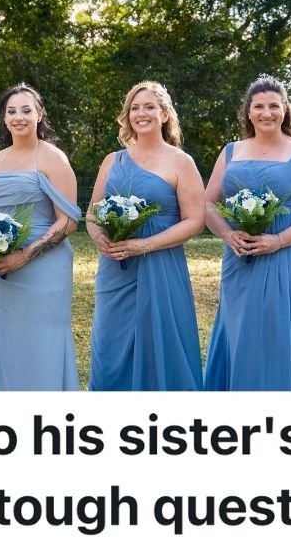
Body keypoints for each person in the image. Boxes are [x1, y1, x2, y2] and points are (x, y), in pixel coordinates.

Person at [203, 75, 291, 391]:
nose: (267, 113)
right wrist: (227, 234)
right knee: (241, 332)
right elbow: (207, 203)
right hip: (240, 258)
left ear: (285, 110)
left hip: (287, 258)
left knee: (279, 333)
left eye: (274, 106)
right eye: (259, 106)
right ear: (248, 112)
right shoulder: (230, 152)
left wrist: (277, 240)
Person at [85, 81, 205, 391]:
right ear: (127, 116)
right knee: (110, 345)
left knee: (160, 344)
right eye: (135, 108)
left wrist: (144, 245)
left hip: (160, 267)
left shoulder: (181, 161)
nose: (142, 113)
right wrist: (100, 237)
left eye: (149, 107)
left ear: (165, 114)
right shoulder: (113, 161)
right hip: (115, 268)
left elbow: (195, 221)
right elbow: (92, 213)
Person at [0, 84, 81, 391]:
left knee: (40, 346)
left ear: (39, 114)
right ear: (4, 119)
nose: (18, 117)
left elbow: (68, 221)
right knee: (5, 346)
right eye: (11, 111)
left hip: (42, 269)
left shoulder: (53, 158)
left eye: (26, 110)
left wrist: (25, 254)